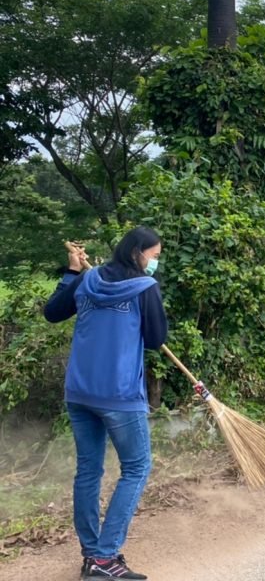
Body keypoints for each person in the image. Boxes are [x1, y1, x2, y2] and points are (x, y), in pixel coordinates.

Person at [43, 227, 168, 581]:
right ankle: (104, 557)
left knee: (88, 470)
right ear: (137, 253)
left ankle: (92, 555)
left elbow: (53, 312)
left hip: (80, 392)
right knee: (137, 467)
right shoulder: (145, 287)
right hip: (119, 395)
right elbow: (156, 338)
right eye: (154, 256)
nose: (155, 262)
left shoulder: (87, 279)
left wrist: (72, 272)